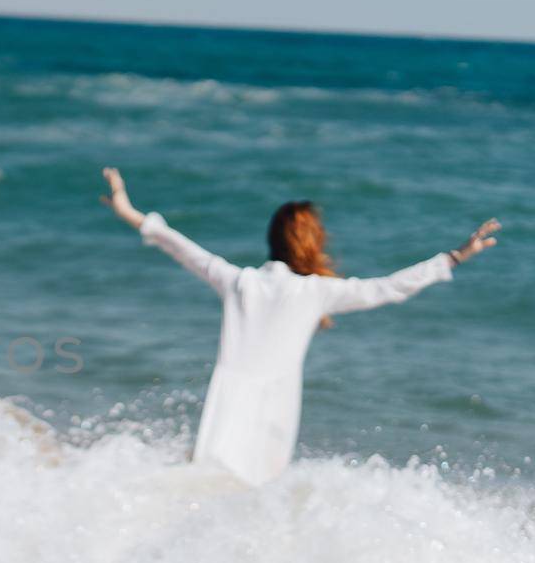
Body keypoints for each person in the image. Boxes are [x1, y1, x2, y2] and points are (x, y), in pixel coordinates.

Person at [100, 166, 499, 484]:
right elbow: (388, 288)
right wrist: (453, 257)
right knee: (255, 492)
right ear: (312, 242)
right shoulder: (315, 292)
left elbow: (180, 246)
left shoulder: (240, 281)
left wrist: (129, 212)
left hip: (229, 397)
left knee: (207, 482)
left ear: (272, 239)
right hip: (277, 404)